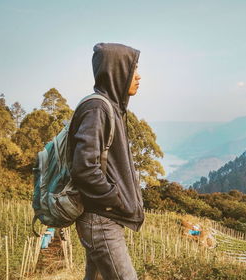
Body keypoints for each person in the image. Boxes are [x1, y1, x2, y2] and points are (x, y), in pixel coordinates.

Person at [68, 42, 144, 280]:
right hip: (101, 220)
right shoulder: (98, 108)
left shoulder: (111, 107)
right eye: (133, 69)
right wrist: (115, 199)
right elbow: (84, 168)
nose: (139, 76)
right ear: (116, 71)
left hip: (103, 217)